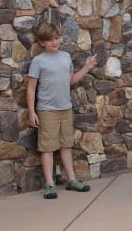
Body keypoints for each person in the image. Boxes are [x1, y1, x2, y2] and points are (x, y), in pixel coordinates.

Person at [26, 22, 97, 199]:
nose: (54, 42)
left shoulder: (65, 57)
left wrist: (87, 67)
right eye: (50, 40)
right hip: (47, 110)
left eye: (56, 38)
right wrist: (31, 111)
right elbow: (31, 88)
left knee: (66, 145)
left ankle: (71, 180)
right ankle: (50, 184)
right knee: (47, 147)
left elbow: (71, 80)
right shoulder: (38, 61)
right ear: (42, 42)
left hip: (66, 108)